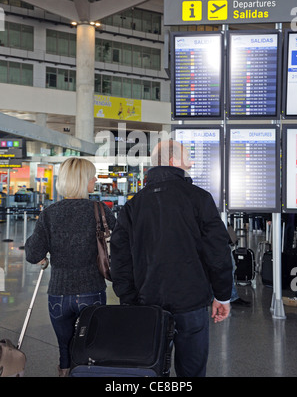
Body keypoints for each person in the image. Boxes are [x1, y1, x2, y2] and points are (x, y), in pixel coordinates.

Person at [110, 140, 233, 377]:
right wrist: (222, 296)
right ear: (171, 161)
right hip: (192, 302)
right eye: (187, 157)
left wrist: (128, 299)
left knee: (151, 368)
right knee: (192, 371)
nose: (192, 162)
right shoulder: (200, 198)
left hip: (146, 304)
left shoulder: (133, 206)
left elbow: (120, 258)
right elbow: (217, 252)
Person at [25, 157, 116, 376]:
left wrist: (44, 260)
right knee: (89, 343)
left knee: (64, 345)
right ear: (83, 180)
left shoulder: (50, 213)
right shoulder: (100, 209)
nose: (95, 179)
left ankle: (64, 370)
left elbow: (33, 253)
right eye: (92, 175)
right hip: (92, 289)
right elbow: (121, 242)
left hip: (59, 293)